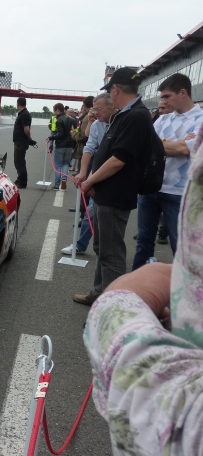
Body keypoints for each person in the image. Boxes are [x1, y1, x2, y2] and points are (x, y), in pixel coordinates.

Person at [83, 124, 203, 455]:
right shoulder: (125, 120)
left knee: (111, 254)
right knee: (128, 247)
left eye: (167, 97)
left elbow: (172, 412)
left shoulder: (132, 119)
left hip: (126, 197)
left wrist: (115, 307)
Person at [74, 67, 153, 306]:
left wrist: (89, 180)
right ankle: (99, 294)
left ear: (115, 90)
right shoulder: (124, 114)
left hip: (115, 196)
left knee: (112, 256)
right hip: (106, 194)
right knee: (102, 248)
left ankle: (112, 309)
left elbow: (119, 160)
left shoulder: (136, 116)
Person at [132, 73, 203, 270]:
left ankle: (182, 295)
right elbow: (145, 145)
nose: (162, 101)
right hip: (152, 187)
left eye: (166, 96)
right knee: (143, 242)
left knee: (180, 246)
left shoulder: (200, 119)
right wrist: (174, 145)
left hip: (181, 192)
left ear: (183, 93)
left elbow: (183, 150)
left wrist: (164, 145)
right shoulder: (164, 119)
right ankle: (137, 292)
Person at [61, 93, 117, 255]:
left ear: (111, 105)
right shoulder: (95, 124)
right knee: (91, 213)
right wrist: (84, 173)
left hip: (116, 175)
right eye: (93, 109)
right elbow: (90, 147)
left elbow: (114, 158)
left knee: (111, 220)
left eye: (99, 109)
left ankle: (110, 253)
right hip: (98, 170)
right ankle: (81, 245)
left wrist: (91, 180)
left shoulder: (121, 123)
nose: (95, 112)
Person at [48, 102, 75, 190]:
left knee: (58, 165)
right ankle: (64, 179)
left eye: (54, 111)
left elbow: (61, 134)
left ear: (58, 110)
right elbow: (76, 131)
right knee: (66, 163)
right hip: (70, 145)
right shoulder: (72, 119)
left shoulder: (59, 120)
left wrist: (51, 137)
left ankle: (56, 184)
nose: (54, 113)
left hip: (61, 145)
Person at [12, 97, 32, 189]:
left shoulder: (24, 114)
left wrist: (29, 139)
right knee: (18, 161)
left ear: (18, 103)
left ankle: (22, 182)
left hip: (21, 141)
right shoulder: (23, 114)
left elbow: (26, 129)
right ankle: (20, 178)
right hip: (19, 140)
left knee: (19, 161)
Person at [71, 96, 94, 174]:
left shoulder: (88, 117)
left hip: (85, 150)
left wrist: (73, 133)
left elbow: (83, 136)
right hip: (89, 151)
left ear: (84, 106)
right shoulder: (91, 117)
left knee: (82, 176)